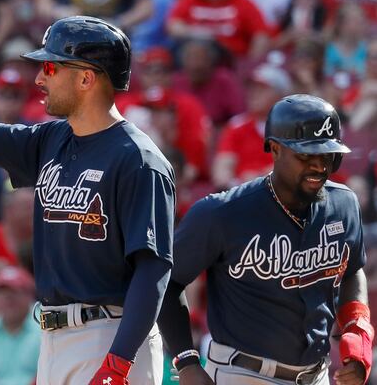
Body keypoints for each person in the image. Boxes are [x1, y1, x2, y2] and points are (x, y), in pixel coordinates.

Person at [0, 0, 175, 384]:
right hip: (55, 338)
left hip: (111, 336)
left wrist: (119, 361)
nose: (39, 78)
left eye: (51, 67)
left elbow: (153, 271)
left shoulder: (138, 159)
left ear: (87, 78)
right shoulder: (53, 138)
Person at [158, 94, 372, 385]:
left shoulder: (344, 204)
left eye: (328, 155)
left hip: (316, 375)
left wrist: (357, 330)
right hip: (243, 373)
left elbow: (352, 271)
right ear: (274, 149)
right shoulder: (222, 212)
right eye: (306, 155)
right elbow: (166, 281)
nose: (319, 166)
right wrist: (186, 361)